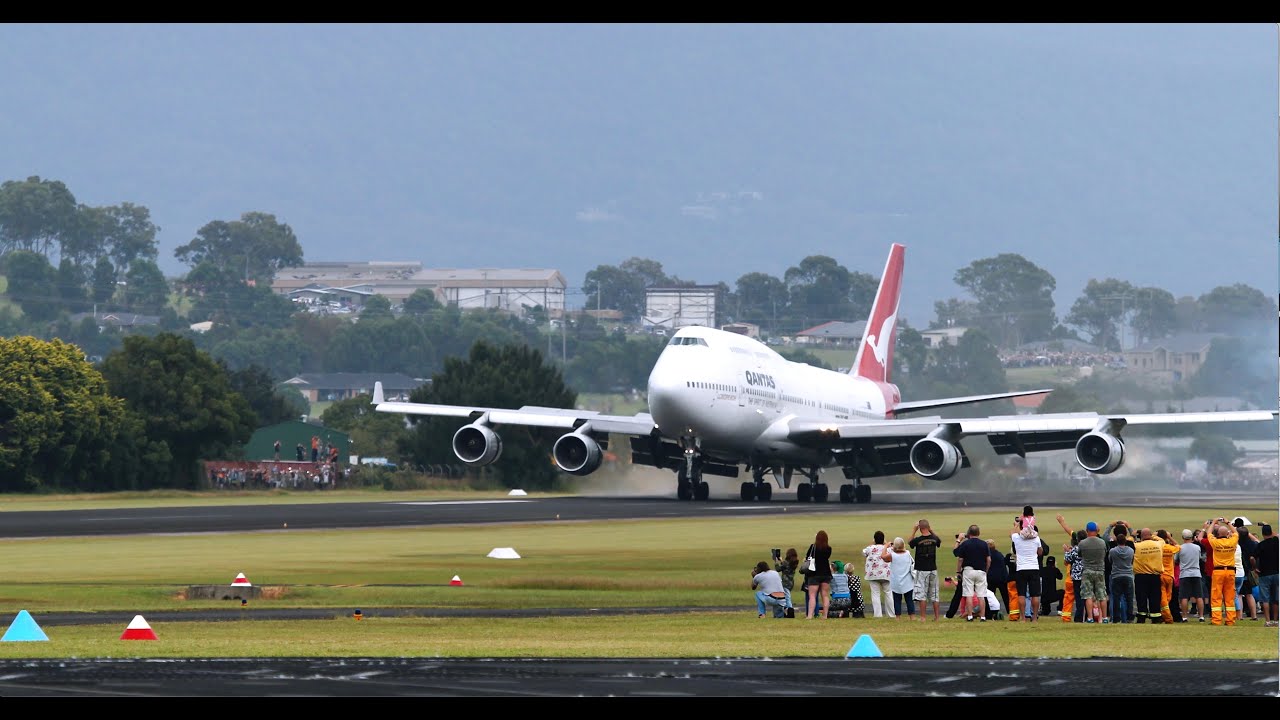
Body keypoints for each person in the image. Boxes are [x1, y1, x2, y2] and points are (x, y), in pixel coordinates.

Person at [1205, 517, 1240, 626]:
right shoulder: (1232, 541)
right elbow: (1235, 532)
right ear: (1227, 533)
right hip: (1230, 571)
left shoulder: (1215, 542)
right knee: (1230, 597)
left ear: (1218, 534)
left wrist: (1214, 522)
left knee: (1216, 596)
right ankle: (1230, 620)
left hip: (1218, 571)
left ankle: (1216, 620)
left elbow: (1208, 532)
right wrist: (1228, 522)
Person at [953, 524, 990, 622]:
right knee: (981, 595)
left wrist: (958, 571)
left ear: (969, 533)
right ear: (979, 533)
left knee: (968, 594)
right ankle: (982, 616)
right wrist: (986, 570)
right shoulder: (984, 544)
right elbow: (988, 559)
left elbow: (958, 556)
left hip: (968, 570)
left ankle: (969, 616)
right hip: (981, 571)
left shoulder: (965, 544)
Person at [909, 519, 943, 621]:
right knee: (934, 594)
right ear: (928, 527)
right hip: (933, 569)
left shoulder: (918, 540)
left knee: (921, 593)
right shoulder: (934, 538)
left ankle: (923, 617)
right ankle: (937, 617)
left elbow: (910, 542)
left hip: (922, 569)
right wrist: (931, 531)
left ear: (920, 528)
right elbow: (939, 541)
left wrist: (914, 530)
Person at [1011, 516, 1043, 621]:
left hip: (1021, 568)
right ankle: (1034, 618)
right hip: (1033, 567)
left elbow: (1011, 534)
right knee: (1035, 594)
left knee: (1021, 594)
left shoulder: (1016, 537)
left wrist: (1016, 525)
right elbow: (1040, 552)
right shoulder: (1036, 538)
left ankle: (1023, 618)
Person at [1077, 521, 1109, 624]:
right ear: (1097, 531)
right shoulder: (1102, 542)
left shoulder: (1082, 543)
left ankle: (1090, 617)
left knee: (1088, 595)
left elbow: (1079, 554)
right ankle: (1104, 617)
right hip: (1099, 570)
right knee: (1102, 595)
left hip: (1087, 570)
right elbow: (1105, 553)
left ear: (1087, 531)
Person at [881, 537, 917, 621]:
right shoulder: (907, 553)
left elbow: (883, 557)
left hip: (896, 581)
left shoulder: (892, 555)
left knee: (897, 600)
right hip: (907, 581)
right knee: (909, 600)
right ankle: (912, 616)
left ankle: (898, 617)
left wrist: (886, 546)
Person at [1132, 528, 1163, 624]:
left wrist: (1133, 535)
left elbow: (1128, 542)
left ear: (1141, 536)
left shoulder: (1136, 545)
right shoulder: (1159, 544)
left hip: (1141, 576)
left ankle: (1141, 616)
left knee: (1141, 597)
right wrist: (1153, 535)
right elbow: (1161, 539)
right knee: (1155, 597)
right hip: (1155, 576)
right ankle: (1156, 616)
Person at [1175, 528, 1205, 622]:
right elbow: (1200, 558)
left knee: (1184, 596)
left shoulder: (1180, 548)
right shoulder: (1197, 547)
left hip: (1184, 574)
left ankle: (1184, 616)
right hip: (1196, 573)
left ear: (1183, 537)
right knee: (1199, 596)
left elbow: (1176, 560)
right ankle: (1201, 616)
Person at [862, 530, 893, 618]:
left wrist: (872, 544)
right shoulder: (888, 548)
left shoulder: (870, 548)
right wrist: (886, 543)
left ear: (874, 540)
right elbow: (894, 548)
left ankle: (878, 614)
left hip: (873, 574)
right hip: (886, 574)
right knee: (888, 593)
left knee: (875, 594)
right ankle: (891, 614)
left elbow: (863, 552)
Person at [1107, 526, 1135, 623]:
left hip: (1116, 575)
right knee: (1129, 598)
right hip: (1128, 575)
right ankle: (1129, 617)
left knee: (1116, 597)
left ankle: (1116, 618)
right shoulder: (1131, 551)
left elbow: (1110, 560)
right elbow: (1132, 561)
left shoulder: (1113, 551)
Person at [805, 530, 834, 619]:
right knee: (825, 595)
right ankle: (825, 615)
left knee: (812, 595)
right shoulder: (828, 548)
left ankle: (810, 615)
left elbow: (808, 557)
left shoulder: (813, 547)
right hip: (826, 573)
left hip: (814, 573)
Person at [1255, 523, 1278, 627]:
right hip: (1277, 573)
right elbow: (1277, 535)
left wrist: (1255, 567)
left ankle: (1268, 620)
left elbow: (1252, 557)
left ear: (1263, 533)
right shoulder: (1277, 542)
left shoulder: (1261, 545)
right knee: (1276, 598)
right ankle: (1276, 620)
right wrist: (1267, 525)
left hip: (1264, 574)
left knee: (1265, 599)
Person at [1156, 529, 1179, 623]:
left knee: (1164, 598)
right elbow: (1178, 546)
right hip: (1169, 576)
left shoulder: (1157, 547)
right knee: (1167, 598)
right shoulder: (1170, 548)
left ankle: (1166, 617)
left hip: (1161, 575)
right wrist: (1170, 537)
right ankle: (1167, 616)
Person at [775, 548, 799, 616]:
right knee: (787, 595)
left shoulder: (786, 563)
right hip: (791, 583)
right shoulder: (794, 562)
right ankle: (787, 609)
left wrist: (776, 562)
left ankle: (790, 611)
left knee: (787, 597)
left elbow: (778, 569)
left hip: (785, 582)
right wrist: (781, 561)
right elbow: (786, 567)